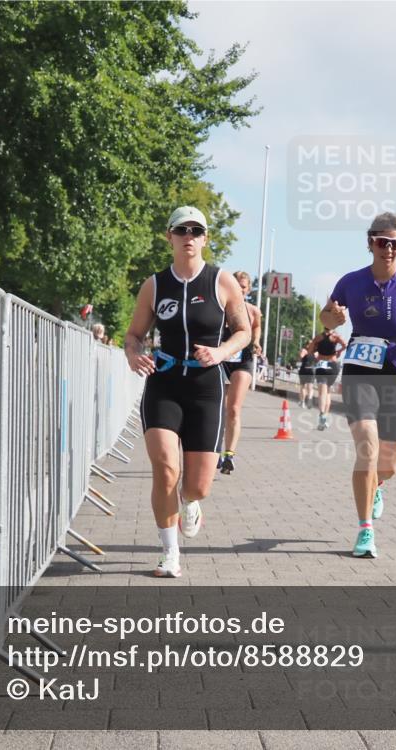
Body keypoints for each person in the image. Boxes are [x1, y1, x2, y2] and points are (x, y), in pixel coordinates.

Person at [124, 206, 251, 577]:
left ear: (205, 238)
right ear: (170, 236)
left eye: (197, 231)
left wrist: (222, 352)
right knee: (165, 469)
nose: (189, 236)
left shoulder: (221, 281)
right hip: (164, 382)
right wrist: (134, 354)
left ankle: (191, 502)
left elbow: (243, 331)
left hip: (206, 387)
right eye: (182, 230)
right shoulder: (155, 284)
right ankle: (170, 552)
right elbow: (133, 335)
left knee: (197, 485)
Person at [320, 212, 396, 559]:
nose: (388, 249)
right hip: (360, 368)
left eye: (395, 244)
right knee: (367, 449)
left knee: (388, 464)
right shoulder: (351, 281)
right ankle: (364, 531)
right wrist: (335, 317)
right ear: (370, 242)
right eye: (381, 242)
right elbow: (327, 315)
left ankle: (378, 486)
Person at [218, 271, 263, 475]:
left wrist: (256, 343)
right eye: (237, 284)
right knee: (218, 407)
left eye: (243, 286)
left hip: (242, 360)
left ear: (248, 289)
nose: (240, 288)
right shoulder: (219, 307)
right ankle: (213, 450)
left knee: (234, 408)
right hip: (220, 360)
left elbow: (256, 329)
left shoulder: (253, 311)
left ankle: (229, 454)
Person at [310, 328, 345, 430]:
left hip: (321, 363)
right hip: (333, 364)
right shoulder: (336, 337)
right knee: (328, 391)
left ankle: (321, 415)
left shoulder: (318, 337)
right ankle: (325, 416)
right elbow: (345, 345)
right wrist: (338, 352)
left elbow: (310, 350)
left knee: (322, 392)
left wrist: (315, 355)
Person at [297, 342, 317, 408]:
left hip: (304, 369)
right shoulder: (316, 352)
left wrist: (302, 353)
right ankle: (308, 400)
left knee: (303, 387)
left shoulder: (304, 350)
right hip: (311, 370)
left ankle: (303, 402)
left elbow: (300, 358)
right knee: (310, 387)